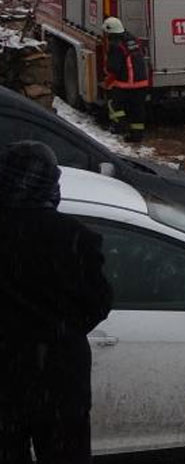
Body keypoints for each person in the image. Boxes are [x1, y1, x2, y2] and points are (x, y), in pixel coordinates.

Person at [0, 141, 113, 464]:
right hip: (60, 379)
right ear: (50, 183)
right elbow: (98, 303)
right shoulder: (74, 237)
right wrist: (60, 330)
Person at [102, 16, 150, 143]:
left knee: (114, 105)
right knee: (137, 110)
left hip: (125, 84)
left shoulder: (115, 46)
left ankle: (120, 126)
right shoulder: (133, 40)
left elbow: (113, 68)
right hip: (142, 83)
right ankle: (137, 135)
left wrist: (106, 79)